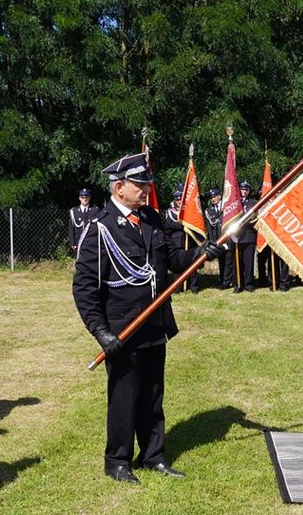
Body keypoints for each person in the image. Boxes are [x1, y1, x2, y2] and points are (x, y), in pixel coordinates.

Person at [72, 152, 222, 484]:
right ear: (119, 187)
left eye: (147, 184)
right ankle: (117, 461)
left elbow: (172, 260)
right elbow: (84, 289)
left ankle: (153, 456)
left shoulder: (152, 219)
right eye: (140, 185)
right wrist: (100, 332)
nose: (146, 190)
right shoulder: (100, 227)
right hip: (123, 329)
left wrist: (199, 254)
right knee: (125, 398)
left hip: (154, 323)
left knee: (153, 394)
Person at [163, 187, 200, 293]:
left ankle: (193, 287)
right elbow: (168, 226)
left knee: (192, 266)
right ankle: (178, 286)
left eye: (181, 199)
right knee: (178, 266)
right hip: (176, 243)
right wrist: (183, 226)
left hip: (190, 241)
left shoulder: (190, 212)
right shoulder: (169, 212)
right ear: (174, 200)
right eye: (177, 199)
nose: (179, 201)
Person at [205, 188, 233, 290]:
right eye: (211, 197)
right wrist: (213, 242)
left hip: (228, 238)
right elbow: (209, 228)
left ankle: (227, 282)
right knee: (221, 261)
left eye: (215, 196)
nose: (213, 199)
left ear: (219, 196)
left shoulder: (227, 207)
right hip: (218, 240)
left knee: (229, 261)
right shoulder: (209, 211)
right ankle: (222, 280)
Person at [233, 181, 258, 292]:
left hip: (248, 236)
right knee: (237, 263)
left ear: (249, 191)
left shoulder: (253, 203)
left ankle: (249, 284)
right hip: (236, 236)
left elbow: (255, 219)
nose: (244, 191)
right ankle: (238, 284)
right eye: (242, 189)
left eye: (246, 189)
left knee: (249, 263)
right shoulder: (234, 203)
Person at [68, 188, 100, 254]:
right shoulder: (74, 211)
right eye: (82, 197)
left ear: (90, 198)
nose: (85, 199)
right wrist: (72, 242)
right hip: (78, 242)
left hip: (92, 242)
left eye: (87, 197)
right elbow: (71, 228)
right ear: (79, 198)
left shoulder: (95, 210)